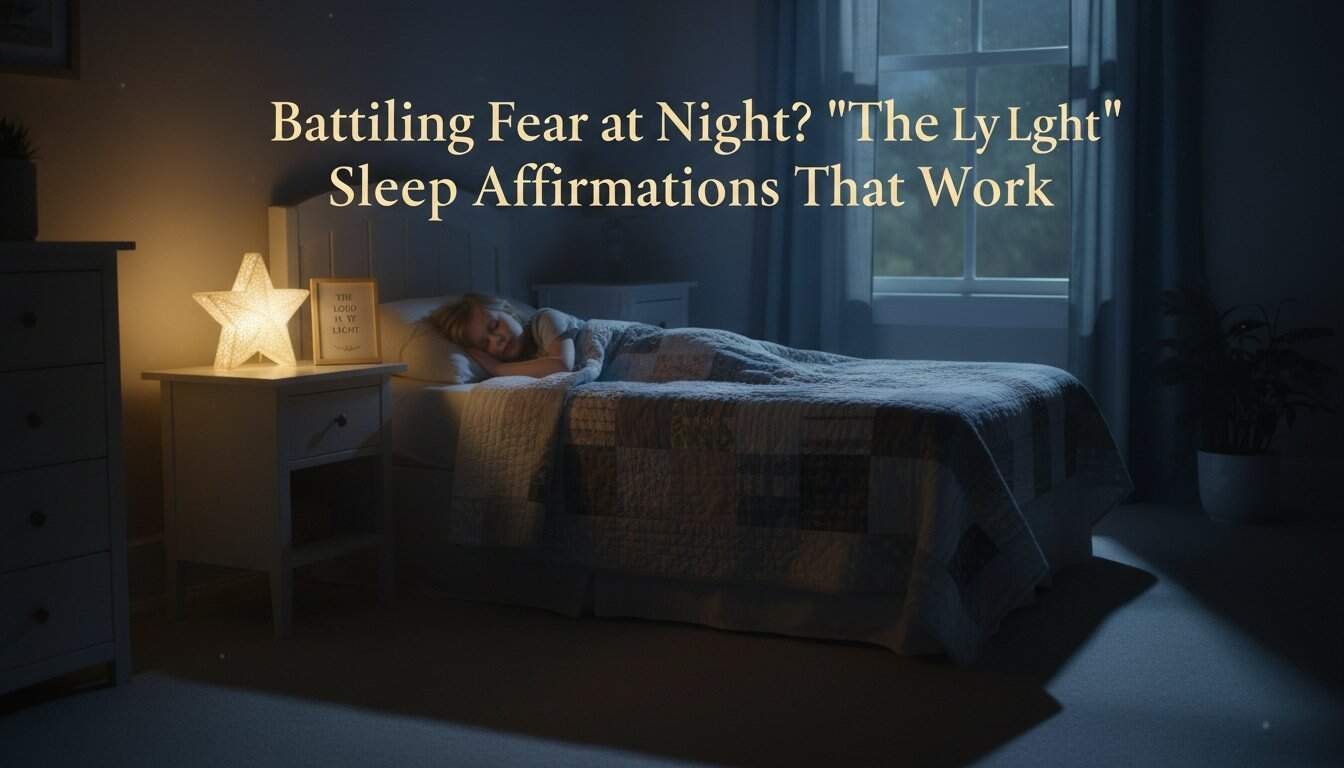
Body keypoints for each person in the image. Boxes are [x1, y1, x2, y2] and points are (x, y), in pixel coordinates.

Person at [429, 293, 581, 378]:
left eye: (495, 325)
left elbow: (562, 366)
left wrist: (498, 368)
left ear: (508, 310)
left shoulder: (546, 319)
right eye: (485, 344)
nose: (497, 340)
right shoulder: (518, 365)